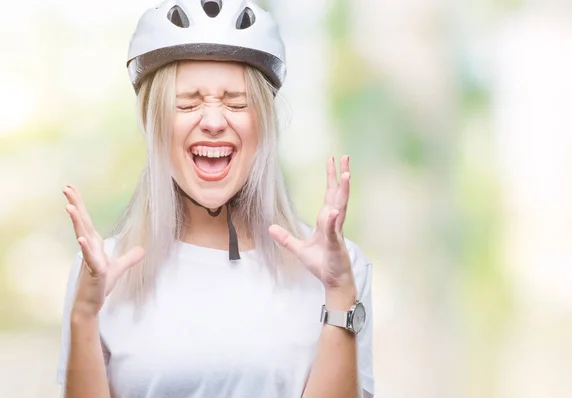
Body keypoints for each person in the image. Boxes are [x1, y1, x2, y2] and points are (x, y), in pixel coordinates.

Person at [56, 0, 374, 397]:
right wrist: (85, 315)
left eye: (236, 102)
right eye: (187, 102)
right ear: (154, 124)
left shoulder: (340, 270)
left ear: (263, 121)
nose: (212, 121)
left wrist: (340, 291)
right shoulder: (100, 272)